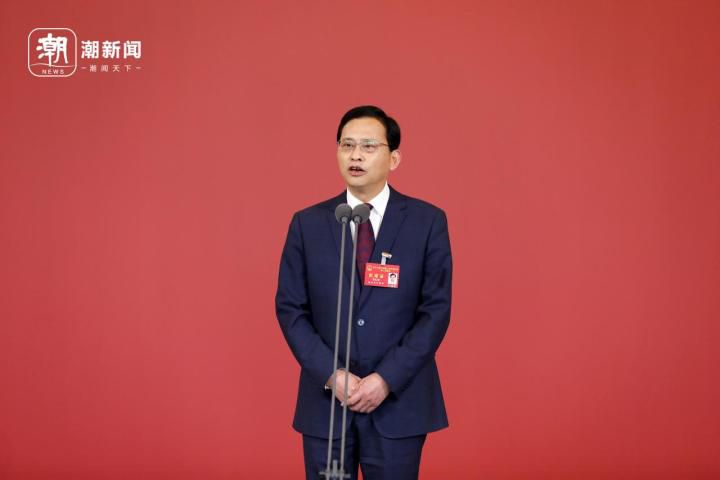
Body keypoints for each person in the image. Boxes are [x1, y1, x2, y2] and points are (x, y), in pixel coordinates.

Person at [275, 105, 452, 480]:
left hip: (398, 403)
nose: (356, 155)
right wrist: (331, 375)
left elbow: (435, 311)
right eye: (347, 145)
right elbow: (291, 309)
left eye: (369, 146)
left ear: (394, 158)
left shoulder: (427, 222)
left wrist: (386, 378)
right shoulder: (307, 224)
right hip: (326, 404)